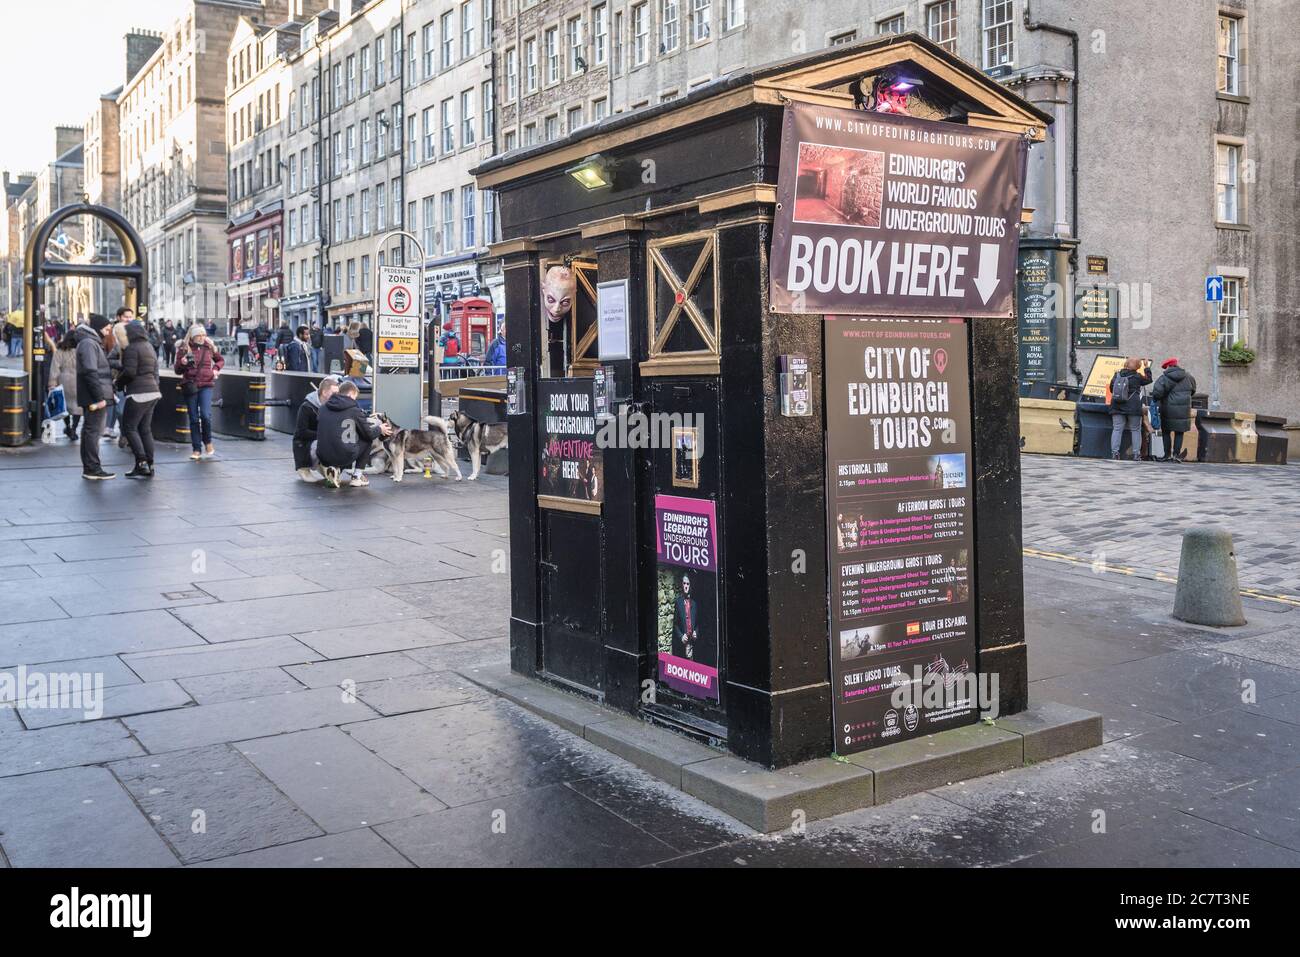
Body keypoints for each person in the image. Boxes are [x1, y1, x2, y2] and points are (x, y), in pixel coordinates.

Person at [315, 379, 392, 488]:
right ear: (351, 394)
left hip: (323, 456)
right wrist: (380, 429)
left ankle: (334, 469)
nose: (355, 400)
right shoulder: (354, 410)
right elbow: (368, 434)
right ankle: (357, 476)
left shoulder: (322, 408)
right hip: (344, 455)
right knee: (365, 441)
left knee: (340, 442)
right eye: (355, 397)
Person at [116, 319, 161, 479]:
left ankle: (141, 462)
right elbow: (155, 371)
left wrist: (118, 383)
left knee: (129, 427)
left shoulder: (132, 348)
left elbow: (129, 372)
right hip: (153, 392)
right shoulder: (148, 347)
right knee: (145, 429)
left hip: (138, 393)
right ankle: (150, 464)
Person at [175, 322, 225, 461]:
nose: (202, 337)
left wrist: (215, 369)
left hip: (206, 384)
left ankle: (208, 441)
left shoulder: (209, 346)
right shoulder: (184, 348)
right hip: (190, 385)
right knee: (193, 418)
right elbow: (177, 370)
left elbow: (220, 360)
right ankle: (196, 449)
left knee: (205, 415)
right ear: (192, 336)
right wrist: (183, 363)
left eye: (203, 334)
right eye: (199, 335)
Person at [74, 315, 115, 480]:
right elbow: (91, 372)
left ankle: (90, 467)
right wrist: (99, 397)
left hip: (92, 394)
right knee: (93, 431)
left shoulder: (90, 342)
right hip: (93, 396)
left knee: (89, 431)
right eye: (106, 329)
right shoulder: (89, 344)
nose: (107, 333)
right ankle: (92, 468)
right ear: (98, 328)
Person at [293, 376, 340, 481]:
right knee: (324, 444)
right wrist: (323, 435)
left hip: (320, 440)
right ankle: (304, 467)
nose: (337, 397)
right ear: (324, 392)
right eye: (334, 393)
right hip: (306, 443)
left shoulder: (332, 406)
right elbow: (301, 432)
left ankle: (323, 464)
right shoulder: (307, 407)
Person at [1151, 357, 1197, 463]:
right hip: (1183, 410)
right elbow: (1193, 390)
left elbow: (1157, 393)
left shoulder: (1164, 378)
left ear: (1168, 367)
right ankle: (1176, 455)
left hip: (1168, 409)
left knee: (1166, 432)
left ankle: (1166, 455)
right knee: (1179, 432)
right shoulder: (1188, 377)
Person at [1109, 357, 1152, 461]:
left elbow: (1111, 389)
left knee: (1117, 429)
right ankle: (1136, 454)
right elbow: (1149, 379)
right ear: (1138, 366)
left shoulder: (1117, 375)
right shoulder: (1137, 377)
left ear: (1126, 364)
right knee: (1135, 430)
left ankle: (1115, 453)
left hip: (1117, 405)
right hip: (1133, 406)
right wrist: (1147, 367)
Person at [50, 330, 82, 439]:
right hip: (79, 381)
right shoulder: (81, 350)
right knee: (77, 407)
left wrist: (52, 383)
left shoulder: (60, 350)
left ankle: (67, 426)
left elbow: (55, 368)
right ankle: (74, 428)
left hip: (63, 381)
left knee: (65, 407)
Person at [671, 574, 699, 661]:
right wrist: (681, 636)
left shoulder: (694, 604)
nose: (686, 586)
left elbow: (697, 624)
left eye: (688, 584)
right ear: (681, 585)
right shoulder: (678, 602)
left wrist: (696, 632)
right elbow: (675, 624)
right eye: (684, 583)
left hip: (692, 644)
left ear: (690, 586)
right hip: (682, 644)